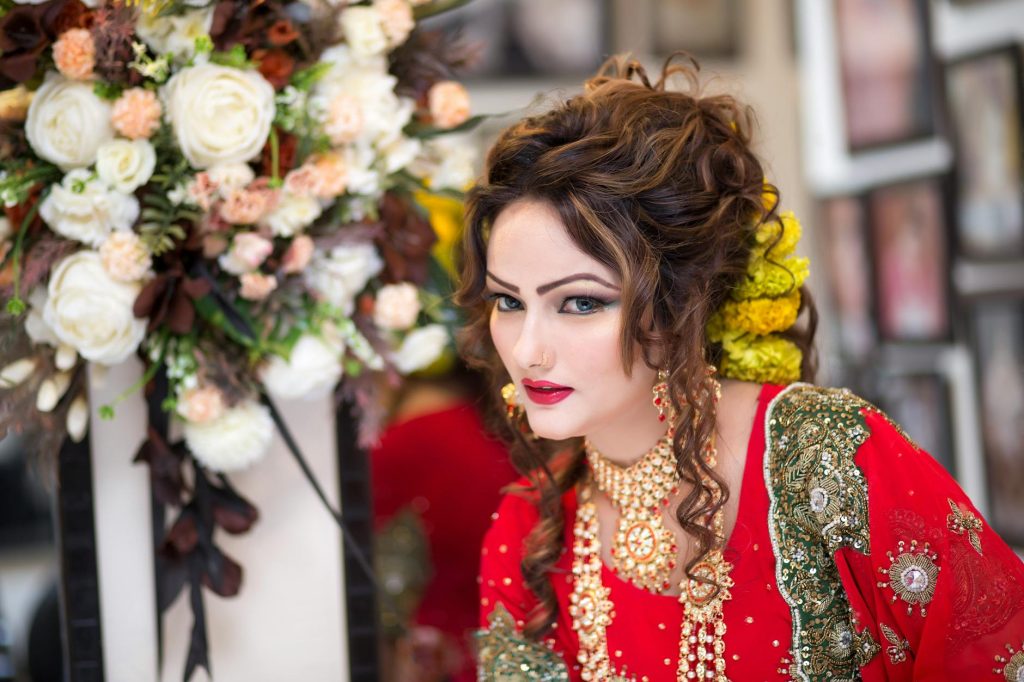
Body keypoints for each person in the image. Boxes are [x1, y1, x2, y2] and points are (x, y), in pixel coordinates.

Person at [455, 55, 1024, 681]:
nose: (528, 348)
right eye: (508, 301)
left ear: (679, 303)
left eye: (580, 302)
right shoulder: (527, 534)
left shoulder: (824, 456)